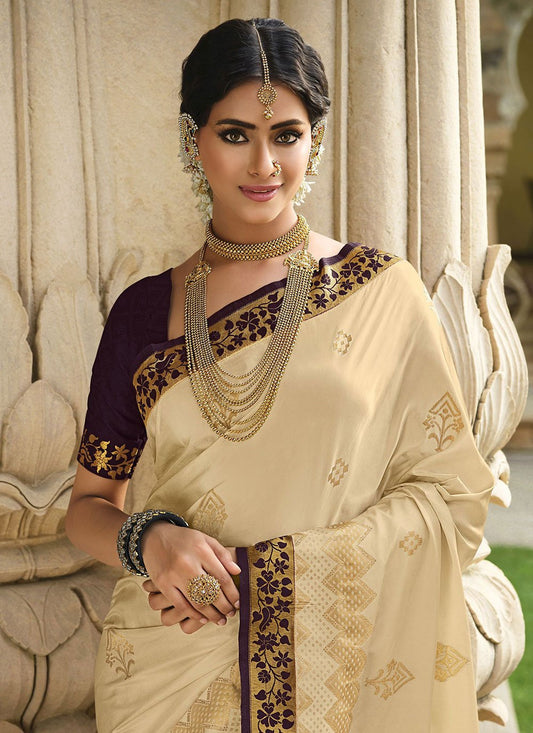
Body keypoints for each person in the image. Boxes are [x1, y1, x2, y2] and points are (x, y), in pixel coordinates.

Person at [65, 16, 494, 733]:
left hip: (341, 670)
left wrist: (276, 577)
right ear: (193, 140)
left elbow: (452, 494)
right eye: (235, 134)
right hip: (172, 667)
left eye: (286, 135)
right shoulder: (144, 315)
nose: (264, 164)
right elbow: (87, 507)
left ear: (312, 142)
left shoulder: (380, 293)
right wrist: (152, 541)